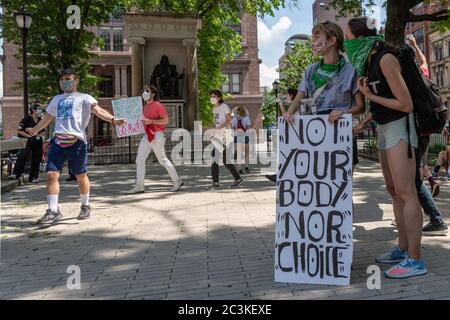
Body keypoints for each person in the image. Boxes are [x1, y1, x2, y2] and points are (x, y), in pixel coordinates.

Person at [343, 17, 426, 278]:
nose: (347, 43)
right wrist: (365, 118)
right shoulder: (368, 62)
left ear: (361, 37)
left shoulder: (385, 59)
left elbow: (405, 104)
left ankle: (416, 259)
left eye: (348, 37)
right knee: (393, 191)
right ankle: (403, 248)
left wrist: (369, 97)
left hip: (400, 127)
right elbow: (383, 102)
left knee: (406, 192)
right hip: (384, 127)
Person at [27, 68, 126, 224]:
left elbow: (98, 110)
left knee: (81, 176)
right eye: (62, 79)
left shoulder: (85, 98)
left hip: (77, 142)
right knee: (52, 174)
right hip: (57, 142)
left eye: (68, 78)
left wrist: (113, 120)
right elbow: (47, 118)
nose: (64, 82)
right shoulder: (56, 99)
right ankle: (53, 210)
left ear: (76, 80)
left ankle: (85, 205)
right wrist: (35, 130)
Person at [284, 21, 365, 167]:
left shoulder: (351, 70)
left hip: (341, 133)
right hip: (315, 133)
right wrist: (289, 113)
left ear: (332, 41)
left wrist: (343, 112)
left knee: (342, 184)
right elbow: (299, 96)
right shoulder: (311, 70)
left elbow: (361, 107)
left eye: (316, 37)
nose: (313, 42)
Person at [126, 85, 183, 194]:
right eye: (143, 90)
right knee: (139, 159)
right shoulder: (144, 107)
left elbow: (165, 121)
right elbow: (143, 120)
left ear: (153, 94)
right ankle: (140, 185)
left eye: (147, 91)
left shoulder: (158, 106)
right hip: (147, 135)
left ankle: (177, 181)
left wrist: (151, 121)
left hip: (157, 135)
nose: (144, 92)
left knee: (162, 159)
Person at [407, 34, 439, 197]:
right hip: (426, 127)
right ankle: (431, 183)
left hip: (413, 129)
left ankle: (419, 203)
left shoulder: (407, 79)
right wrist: (415, 45)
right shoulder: (423, 74)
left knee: (416, 169)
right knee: (421, 163)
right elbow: (424, 60)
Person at [210, 89, 243, 189]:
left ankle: (216, 182)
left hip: (226, 134)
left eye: (214, 96)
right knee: (225, 160)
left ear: (219, 97)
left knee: (215, 156)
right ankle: (237, 178)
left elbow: (230, 120)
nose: (212, 98)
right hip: (220, 135)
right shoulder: (214, 108)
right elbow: (217, 123)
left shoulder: (224, 107)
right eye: (211, 97)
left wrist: (221, 127)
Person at [265, 88, 298, 183]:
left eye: (287, 95)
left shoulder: (295, 105)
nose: (285, 97)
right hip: (294, 136)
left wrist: (281, 104)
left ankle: (280, 176)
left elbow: (285, 116)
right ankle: (280, 175)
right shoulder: (295, 105)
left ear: (291, 95)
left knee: (288, 156)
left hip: (295, 136)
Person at [8, 104, 45, 183]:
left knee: (36, 158)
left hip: (37, 141)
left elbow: (43, 131)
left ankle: (34, 177)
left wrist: (38, 135)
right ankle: (15, 174)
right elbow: (20, 130)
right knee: (23, 156)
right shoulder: (26, 119)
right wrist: (29, 136)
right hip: (27, 141)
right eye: (39, 109)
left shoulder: (40, 120)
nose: (40, 110)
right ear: (33, 110)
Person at [231, 106, 251, 174]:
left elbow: (232, 128)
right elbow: (248, 128)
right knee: (247, 152)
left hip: (237, 136)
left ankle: (239, 169)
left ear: (237, 112)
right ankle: (246, 167)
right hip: (245, 136)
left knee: (239, 153)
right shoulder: (246, 118)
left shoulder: (234, 119)